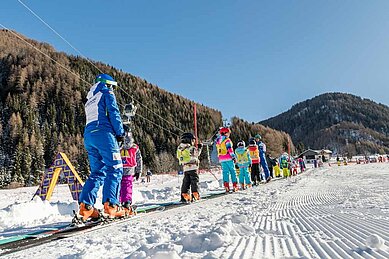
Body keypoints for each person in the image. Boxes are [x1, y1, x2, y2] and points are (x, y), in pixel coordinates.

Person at [78, 74, 126, 221]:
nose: (113, 89)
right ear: (108, 84)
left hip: (89, 135)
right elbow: (114, 112)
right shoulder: (106, 92)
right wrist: (120, 133)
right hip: (104, 134)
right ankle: (112, 205)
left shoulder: (90, 99)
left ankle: (86, 207)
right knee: (115, 168)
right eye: (112, 86)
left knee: (98, 172)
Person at [119, 128, 142, 216]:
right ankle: (127, 203)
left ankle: (117, 203)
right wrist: (138, 171)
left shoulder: (117, 145)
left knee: (118, 186)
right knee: (127, 186)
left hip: (119, 168)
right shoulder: (134, 147)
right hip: (129, 169)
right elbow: (139, 159)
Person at [177, 132, 203, 202]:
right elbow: (197, 154)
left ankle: (184, 195)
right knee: (194, 181)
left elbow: (178, 157)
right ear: (189, 140)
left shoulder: (179, 149)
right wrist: (200, 147)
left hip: (185, 168)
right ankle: (195, 194)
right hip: (193, 167)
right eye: (193, 140)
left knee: (186, 182)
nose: (193, 142)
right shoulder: (190, 148)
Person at [216, 127, 238, 192]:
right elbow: (230, 149)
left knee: (225, 172)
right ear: (226, 133)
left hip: (222, 159)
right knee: (232, 171)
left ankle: (226, 186)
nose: (229, 134)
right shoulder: (227, 140)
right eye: (228, 133)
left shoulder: (218, 141)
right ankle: (235, 185)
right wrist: (233, 157)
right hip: (228, 158)